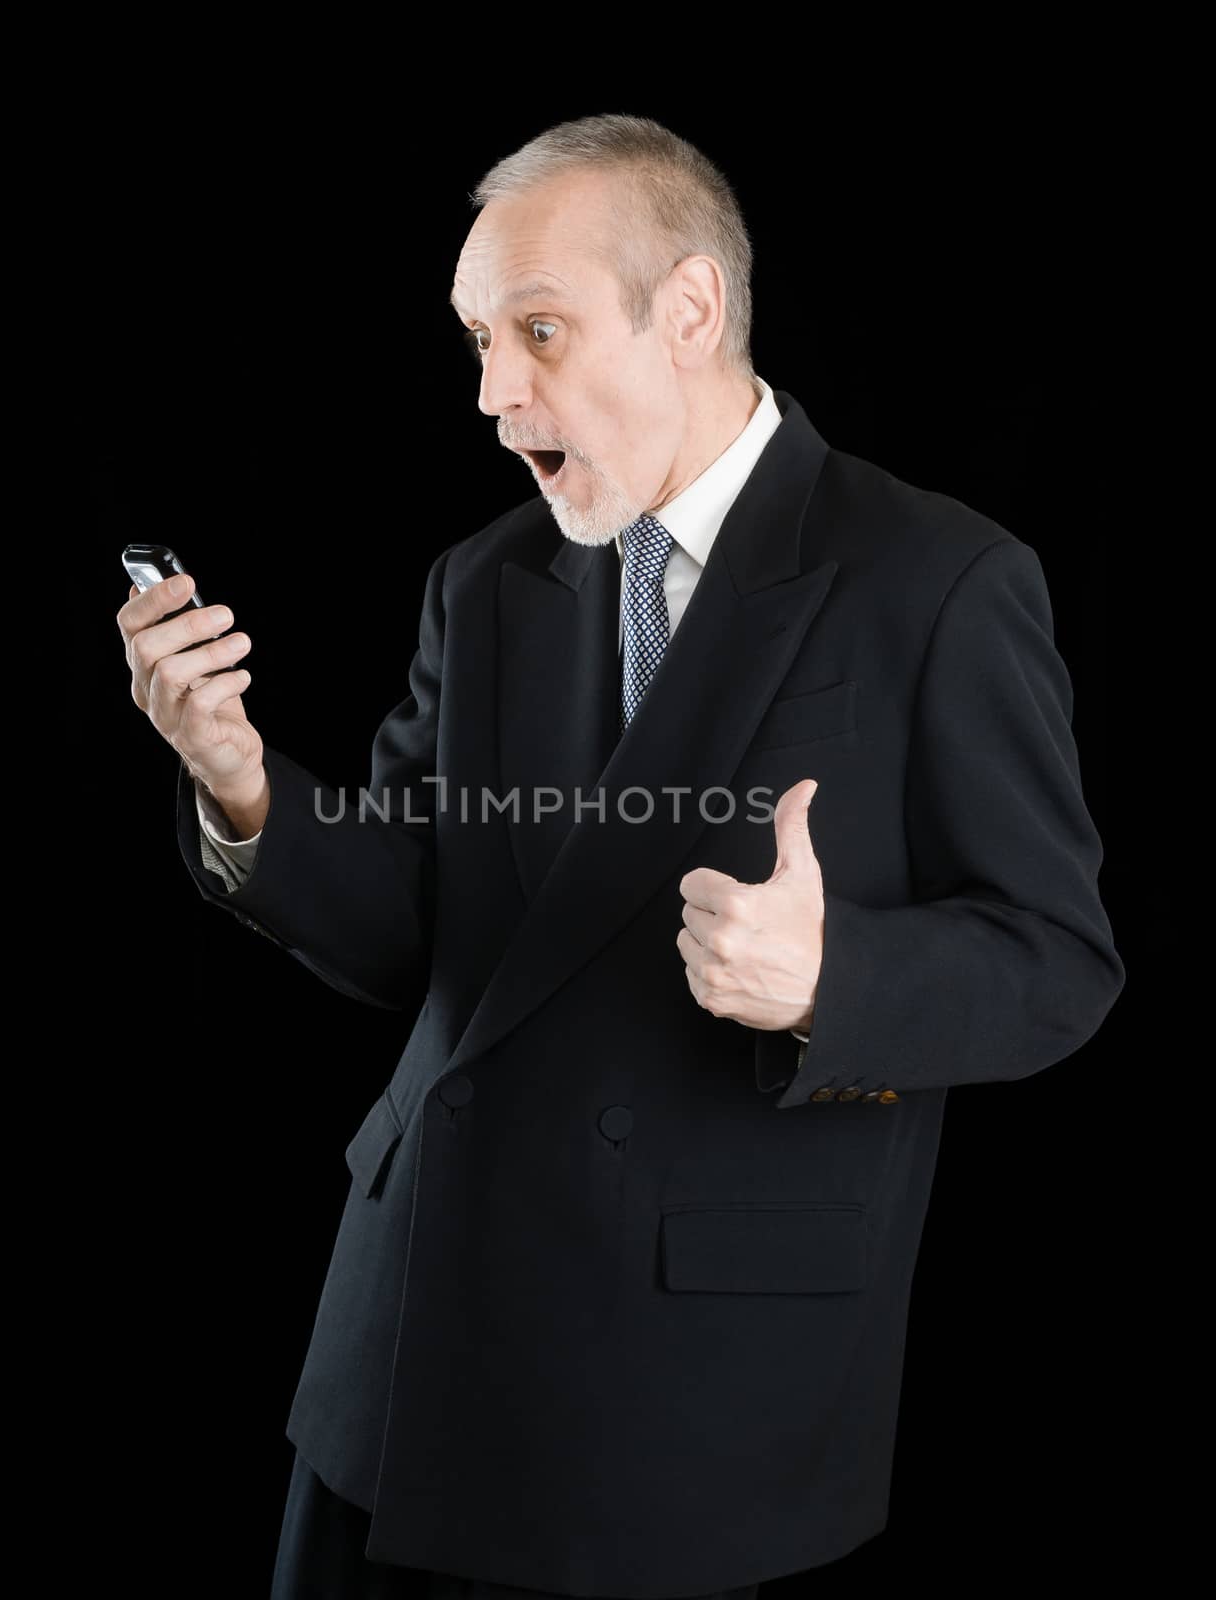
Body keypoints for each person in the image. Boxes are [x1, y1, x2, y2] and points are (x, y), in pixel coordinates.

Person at [117, 113, 1125, 1599]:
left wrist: (832, 974)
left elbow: (1058, 963)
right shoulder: (487, 577)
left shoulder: (937, 577)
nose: (490, 392)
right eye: (475, 340)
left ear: (692, 310)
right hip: (411, 1337)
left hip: (690, 1386)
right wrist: (245, 786)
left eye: (537, 330)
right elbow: (416, 928)